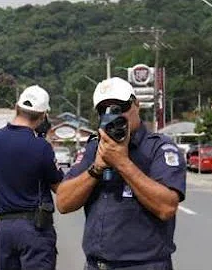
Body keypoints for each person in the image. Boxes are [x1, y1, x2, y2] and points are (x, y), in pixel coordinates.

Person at [56, 77, 186, 270]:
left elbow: (166, 207)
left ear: (136, 104)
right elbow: (63, 203)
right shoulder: (94, 148)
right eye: (104, 110)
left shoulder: (158, 148)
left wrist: (123, 163)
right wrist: (96, 168)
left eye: (119, 107)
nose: (113, 115)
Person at [0, 85, 64, 270]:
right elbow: (59, 186)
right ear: (43, 115)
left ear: (16, 107)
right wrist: (46, 141)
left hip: (5, 228)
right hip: (34, 228)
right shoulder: (40, 147)